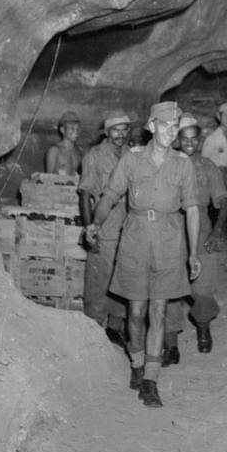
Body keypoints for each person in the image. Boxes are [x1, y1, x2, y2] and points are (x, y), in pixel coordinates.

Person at [85, 102, 200, 409]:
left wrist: (193, 253)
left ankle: (150, 378)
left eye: (175, 127)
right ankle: (136, 363)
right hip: (135, 239)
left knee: (158, 311)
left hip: (168, 240)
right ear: (151, 126)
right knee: (136, 312)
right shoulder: (132, 159)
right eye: (164, 125)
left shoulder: (183, 164)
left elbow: (191, 208)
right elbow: (110, 195)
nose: (170, 132)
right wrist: (95, 223)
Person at [164, 114, 227, 364]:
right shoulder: (167, 163)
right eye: (185, 138)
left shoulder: (208, 166)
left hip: (201, 226)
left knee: (203, 286)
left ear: (200, 140)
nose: (190, 143)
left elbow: (223, 200)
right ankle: (171, 343)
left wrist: (217, 230)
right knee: (168, 285)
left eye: (194, 138)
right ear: (177, 140)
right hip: (172, 226)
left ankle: (203, 326)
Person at [79, 110, 132, 345]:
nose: (120, 134)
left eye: (124, 130)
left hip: (129, 228)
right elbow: (85, 194)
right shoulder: (95, 156)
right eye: (115, 130)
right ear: (107, 132)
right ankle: (92, 332)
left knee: (123, 281)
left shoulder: (132, 154)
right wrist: (90, 229)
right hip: (105, 226)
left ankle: (114, 329)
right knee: (98, 282)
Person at [201, 102, 227, 190]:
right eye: (225, 115)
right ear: (219, 116)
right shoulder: (212, 138)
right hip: (214, 177)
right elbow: (203, 161)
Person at [45, 110, 83, 175]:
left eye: (77, 129)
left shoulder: (79, 151)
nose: (76, 132)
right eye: (72, 128)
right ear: (62, 130)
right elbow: (48, 177)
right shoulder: (54, 151)